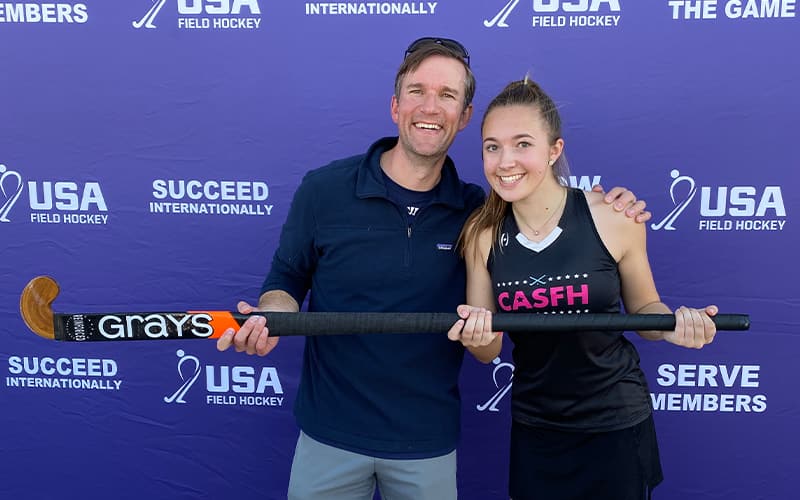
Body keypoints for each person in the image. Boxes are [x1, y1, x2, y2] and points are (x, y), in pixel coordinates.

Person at [217, 38, 650, 500]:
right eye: (417, 90)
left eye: (447, 95)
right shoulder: (323, 190)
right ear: (395, 105)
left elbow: (551, 215)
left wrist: (607, 204)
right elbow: (284, 282)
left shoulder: (479, 215)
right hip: (328, 436)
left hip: (426, 445)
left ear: (464, 116)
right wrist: (270, 316)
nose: (431, 106)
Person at [448, 78, 719, 500]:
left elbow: (645, 308)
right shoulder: (482, 234)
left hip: (615, 422)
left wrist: (671, 325)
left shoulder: (614, 216)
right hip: (537, 427)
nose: (505, 161)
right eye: (492, 146)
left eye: (523, 144)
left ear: (554, 150)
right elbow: (489, 350)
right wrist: (476, 337)